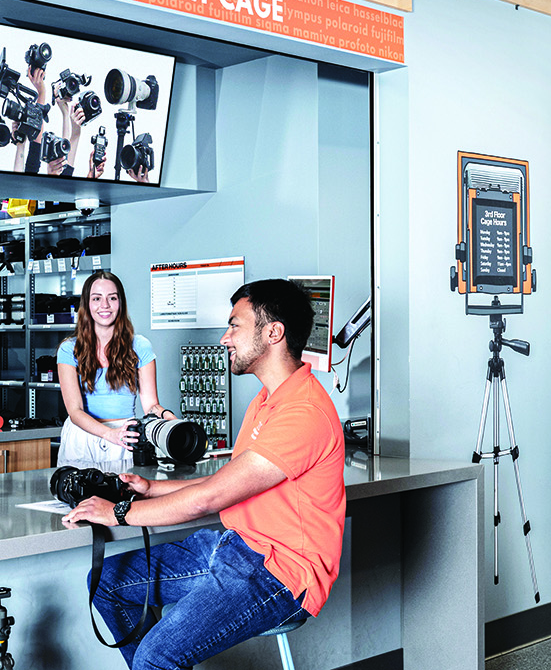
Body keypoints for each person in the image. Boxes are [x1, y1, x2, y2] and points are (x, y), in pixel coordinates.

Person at [63, 279, 346, 670]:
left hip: (278, 575)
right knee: (109, 584)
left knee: (156, 657)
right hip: (237, 546)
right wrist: (151, 488)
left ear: (273, 333)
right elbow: (229, 479)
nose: (225, 338)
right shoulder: (267, 401)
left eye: (235, 326)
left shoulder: (303, 412)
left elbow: (209, 499)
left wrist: (116, 513)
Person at [56, 271, 173, 465]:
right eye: (96, 298)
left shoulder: (140, 346)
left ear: (121, 303)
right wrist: (109, 434)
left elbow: (151, 405)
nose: (105, 305)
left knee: (123, 494)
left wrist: (169, 418)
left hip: (124, 437)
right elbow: (75, 411)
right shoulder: (69, 349)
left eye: (112, 298)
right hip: (81, 438)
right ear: (87, 304)